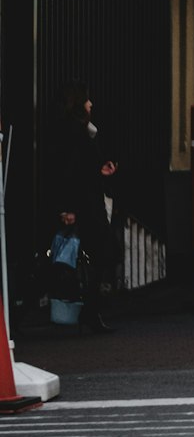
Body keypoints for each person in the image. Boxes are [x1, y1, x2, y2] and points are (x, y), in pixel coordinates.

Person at [47, 85, 117, 333]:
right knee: (98, 254)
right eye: (88, 101)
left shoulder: (77, 131)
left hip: (83, 202)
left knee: (67, 254)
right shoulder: (77, 133)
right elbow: (72, 172)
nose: (91, 105)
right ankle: (88, 311)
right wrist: (68, 207)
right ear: (79, 104)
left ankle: (88, 310)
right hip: (85, 204)